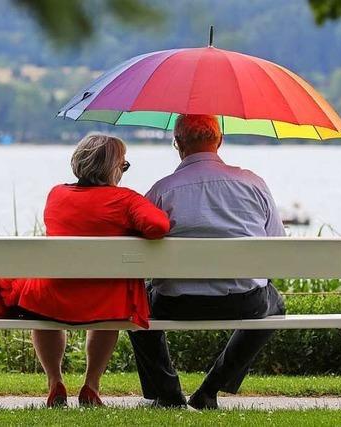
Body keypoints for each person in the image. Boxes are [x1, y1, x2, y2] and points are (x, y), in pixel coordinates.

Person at [0, 134, 170, 407]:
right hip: (103, 301)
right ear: (112, 168)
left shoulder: (56, 195)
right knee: (108, 300)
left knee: (42, 299)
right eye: (124, 165)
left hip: (52, 297)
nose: (123, 171)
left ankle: (55, 381)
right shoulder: (126, 201)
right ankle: (91, 385)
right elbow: (159, 227)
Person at [128, 114, 286, 410]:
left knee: (134, 304)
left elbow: (135, 246)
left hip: (175, 302)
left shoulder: (163, 189)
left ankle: (167, 392)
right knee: (275, 304)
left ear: (178, 144)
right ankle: (210, 390)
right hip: (243, 300)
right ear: (220, 141)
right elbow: (277, 244)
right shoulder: (254, 184)